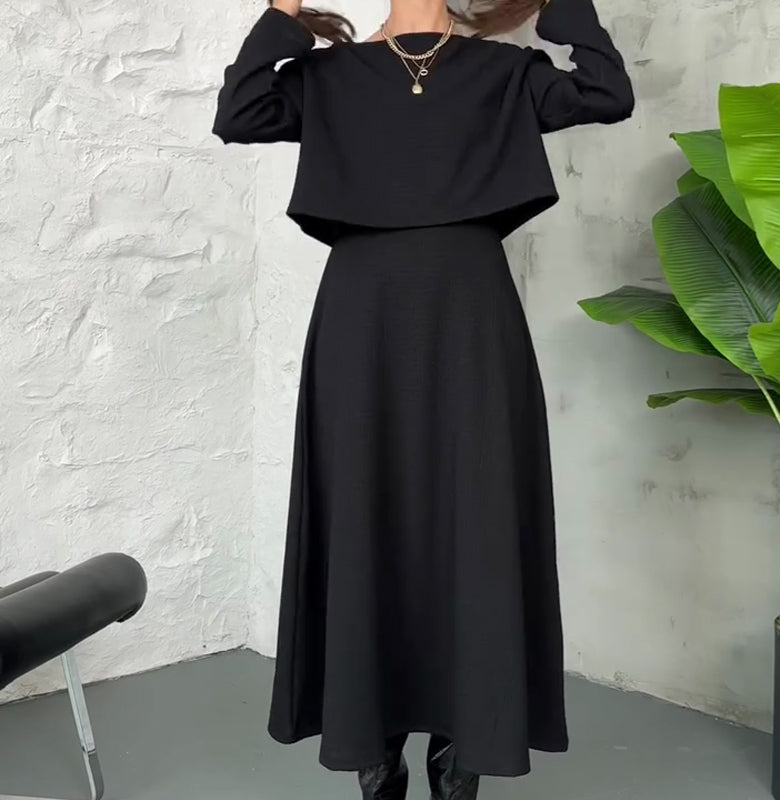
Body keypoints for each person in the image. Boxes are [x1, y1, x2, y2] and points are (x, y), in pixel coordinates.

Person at [212, 0, 633, 796]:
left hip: (470, 317)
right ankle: (375, 749)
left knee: (474, 512)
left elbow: (609, 94)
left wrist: (559, 7)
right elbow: (238, 113)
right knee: (365, 508)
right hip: (362, 321)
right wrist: (284, 15)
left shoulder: (505, 72)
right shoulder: (330, 76)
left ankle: (460, 750)